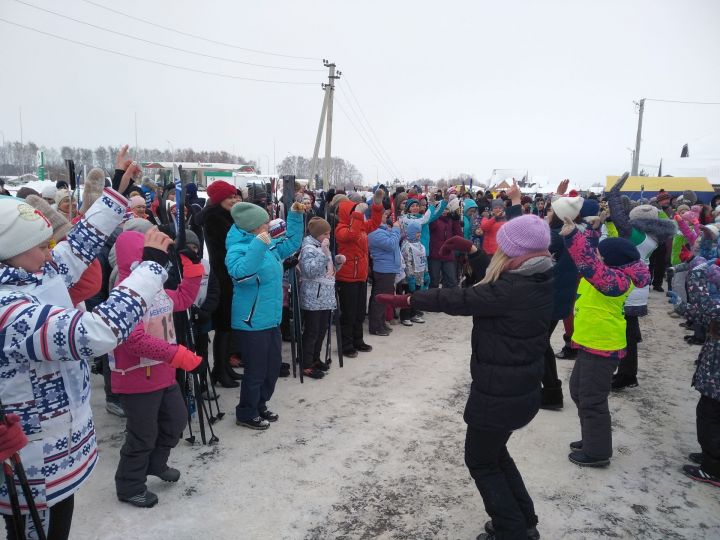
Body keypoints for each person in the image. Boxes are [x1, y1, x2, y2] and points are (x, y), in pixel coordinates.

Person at [0, 188, 171, 539]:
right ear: (10, 253)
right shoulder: (10, 311)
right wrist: (150, 269)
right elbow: (96, 332)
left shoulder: (33, 273)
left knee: (60, 519)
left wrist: (117, 191)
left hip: (57, 448)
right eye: (42, 246)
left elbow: (77, 244)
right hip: (31, 461)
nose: (51, 254)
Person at [376, 214, 553, 540]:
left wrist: (411, 299)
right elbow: (500, 278)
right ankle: (523, 519)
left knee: (481, 461)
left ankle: (511, 530)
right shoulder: (539, 278)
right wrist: (474, 251)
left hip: (498, 395)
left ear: (513, 253)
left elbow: (457, 298)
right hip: (518, 390)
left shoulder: (510, 290)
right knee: (494, 454)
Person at [111, 231, 204, 508]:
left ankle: (155, 463)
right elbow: (134, 340)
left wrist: (193, 267)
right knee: (142, 434)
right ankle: (129, 485)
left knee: (176, 420)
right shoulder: (125, 292)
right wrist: (177, 354)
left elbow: (184, 299)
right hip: (137, 377)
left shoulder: (154, 287)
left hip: (163, 372)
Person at [559, 216, 650, 467]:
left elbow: (589, 263)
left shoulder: (617, 282)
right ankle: (591, 438)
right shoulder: (611, 271)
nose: (596, 256)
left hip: (603, 345)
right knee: (578, 391)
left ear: (611, 262)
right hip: (590, 342)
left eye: (601, 256)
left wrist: (571, 236)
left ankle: (597, 452)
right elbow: (591, 255)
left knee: (591, 398)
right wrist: (591, 230)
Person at [226, 201, 304, 430]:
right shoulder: (237, 249)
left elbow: (291, 243)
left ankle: (260, 405)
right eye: (264, 224)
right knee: (256, 370)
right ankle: (246, 412)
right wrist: (258, 246)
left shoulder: (266, 243)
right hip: (251, 322)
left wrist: (296, 216)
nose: (268, 226)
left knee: (272, 368)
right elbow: (241, 275)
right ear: (252, 227)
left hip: (271, 319)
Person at [670, 262, 720, 487]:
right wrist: (681, 307)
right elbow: (709, 314)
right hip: (713, 371)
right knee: (710, 414)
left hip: (717, 376)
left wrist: (699, 273)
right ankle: (712, 455)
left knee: (709, 416)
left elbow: (710, 309)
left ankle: (713, 468)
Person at [194, 180, 242, 388]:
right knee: (223, 325)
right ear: (219, 199)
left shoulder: (226, 216)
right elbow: (228, 245)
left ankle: (224, 367)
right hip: (220, 275)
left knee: (227, 325)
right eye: (229, 197)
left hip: (227, 274)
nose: (234, 200)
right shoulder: (214, 218)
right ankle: (220, 370)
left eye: (234, 196)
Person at [334, 190, 385, 358]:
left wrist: (377, 206)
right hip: (347, 278)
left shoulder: (360, 224)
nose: (359, 213)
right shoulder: (341, 229)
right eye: (354, 211)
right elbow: (351, 235)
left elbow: (375, 223)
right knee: (348, 314)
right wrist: (356, 215)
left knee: (359, 312)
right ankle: (346, 344)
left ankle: (358, 340)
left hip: (360, 276)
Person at [298, 217, 346, 377]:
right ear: (316, 234)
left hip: (325, 296)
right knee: (312, 331)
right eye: (325, 233)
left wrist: (337, 262)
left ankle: (315, 358)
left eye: (329, 233)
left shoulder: (321, 246)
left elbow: (328, 271)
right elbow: (310, 271)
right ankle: (306, 363)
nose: (328, 236)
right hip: (313, 296)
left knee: (321, 330)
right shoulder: (309, 248)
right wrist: (324, 255)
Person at [367, 210, 402, 336]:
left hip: (389, 268)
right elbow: (392, 244)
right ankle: (375, 326)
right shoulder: (374, 232)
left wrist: (396, 230)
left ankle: (380, 323)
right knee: (380, 298)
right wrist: (396, 229)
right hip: (384, 269)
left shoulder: (383, 229)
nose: (386, 216)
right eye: (382, 214)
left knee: (384, 298)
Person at [428, 197, 462, 289]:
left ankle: (451, 300)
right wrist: (435, 213)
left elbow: (459, 235)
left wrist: (456, 220)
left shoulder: (451, 220)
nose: (444, 211)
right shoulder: (435, 220)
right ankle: (432, 300)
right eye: (442, 209)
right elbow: (432, 226)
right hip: (435, 254)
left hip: (448, 255)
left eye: (446, 209)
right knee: (434, 281)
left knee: (451, 281)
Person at [399, 220, 428, 326]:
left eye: (420, 232)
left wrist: (426, 273)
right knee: (408, 296)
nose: (419, 234)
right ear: (411, 232)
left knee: (417, 296)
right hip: (410, 277)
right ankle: (405, 316)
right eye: (417, 232)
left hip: (419, 275)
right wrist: (410, 277)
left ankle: (414, 314)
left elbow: (424, 259)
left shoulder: (420, 245)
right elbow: (407, 262)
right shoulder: (407, 246)